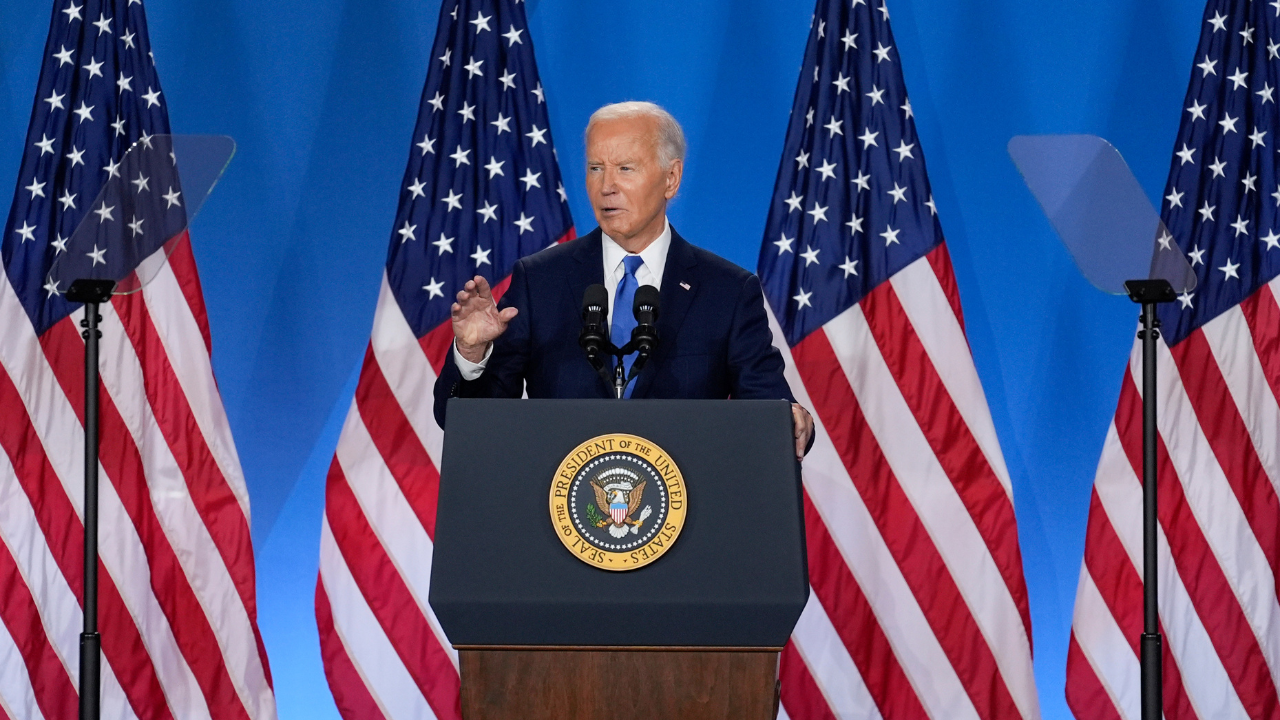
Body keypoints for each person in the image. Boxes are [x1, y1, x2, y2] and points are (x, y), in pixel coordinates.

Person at [433, 101, 815, 459]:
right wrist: (471, 355)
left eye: (625, 168)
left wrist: (793, 420)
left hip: (686, 512)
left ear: (671, 178)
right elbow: (467, 424)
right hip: (561, 512)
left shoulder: (728, 291)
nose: (606, 187)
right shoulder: (539, 281)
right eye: (596, 167)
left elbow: (772, 411)